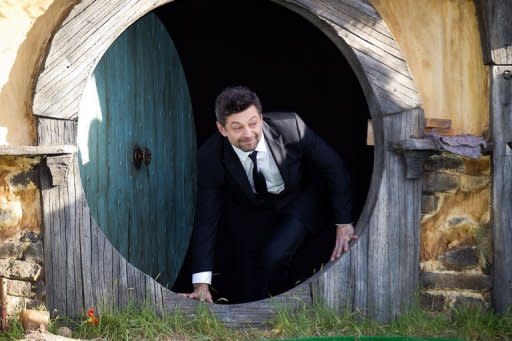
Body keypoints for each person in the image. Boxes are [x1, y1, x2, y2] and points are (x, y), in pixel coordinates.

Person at [182, 86, 356, 304]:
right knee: (247, 277)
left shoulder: (291, 126)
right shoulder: (210, 156)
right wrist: (201, 284)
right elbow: (206, 218)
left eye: (253, 123)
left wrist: (344, 222)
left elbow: (334, 167)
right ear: (222, 129)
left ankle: (285, 304)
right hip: (250, 211)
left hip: (297, 201)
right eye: (237, 128)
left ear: (261, 118)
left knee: (274, 255)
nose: (248, 134)